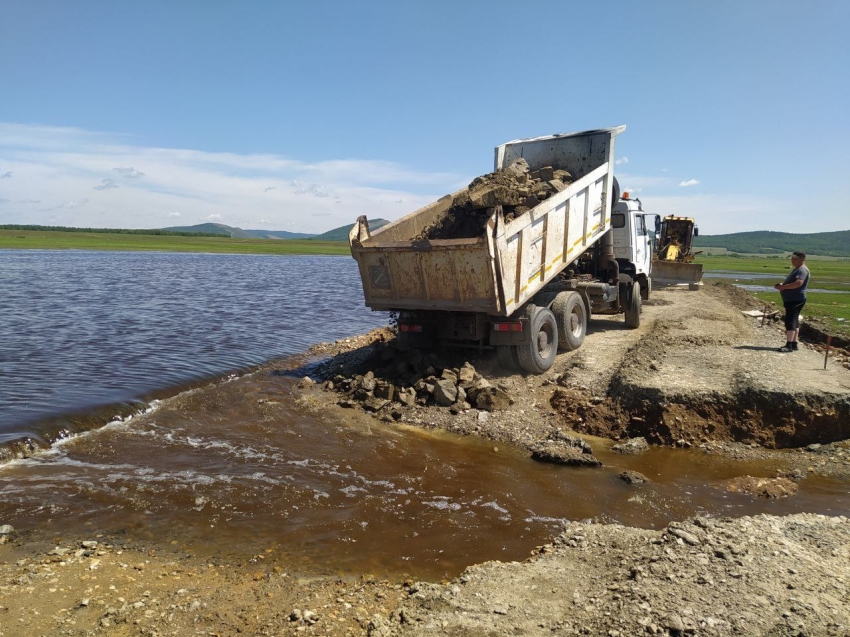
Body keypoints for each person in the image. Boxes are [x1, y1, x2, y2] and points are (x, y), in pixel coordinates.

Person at [774, 251, 810, 352]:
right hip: (792, 299)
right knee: (794, 321)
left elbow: (798, 283)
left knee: (790, 321)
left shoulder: (802, 270)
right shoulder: (797, 269)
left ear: (802, 259)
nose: (793, 260)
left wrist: (784, 287)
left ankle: (788, 345)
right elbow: (793, 282)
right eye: (792, 258)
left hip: (795, 299)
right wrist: (783, 285)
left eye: (795, 259)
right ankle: (794, 343)